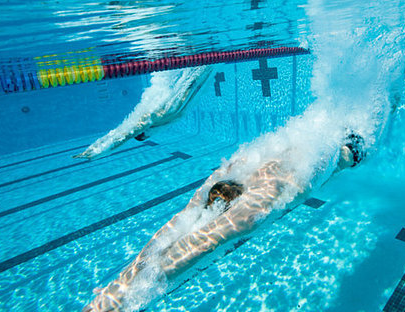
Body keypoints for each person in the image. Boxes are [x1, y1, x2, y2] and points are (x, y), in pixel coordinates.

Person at [82, 134, 365, 312]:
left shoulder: (257, 202)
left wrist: (121, 301)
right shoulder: (228, 175)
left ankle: (354, 152)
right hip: (312, 144)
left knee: (337, 163)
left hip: (327, 155)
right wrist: (119, 286)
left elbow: (202, 244)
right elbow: (177, 226)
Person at [74, 66, 211, 160]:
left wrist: (95, 152)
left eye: (145, 136)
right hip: (170, 76)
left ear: (144, 133)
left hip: (169, 75)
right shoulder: (168, 116)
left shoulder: (154, 116)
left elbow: (123, 136)